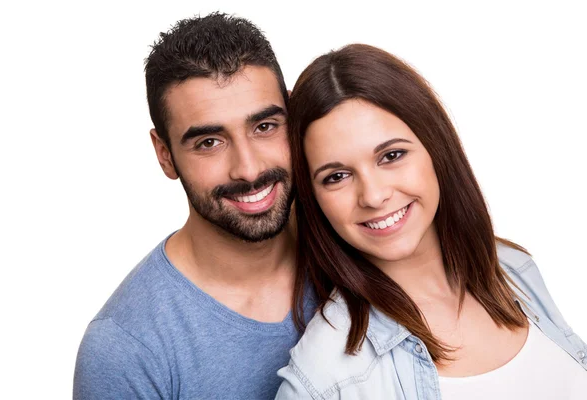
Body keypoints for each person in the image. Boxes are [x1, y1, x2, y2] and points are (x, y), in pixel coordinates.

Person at [276, 44, 587, 399]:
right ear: (314, 199)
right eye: (337, 176)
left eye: (391, 155)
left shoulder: (514, 269)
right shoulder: (323, 377)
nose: (374, 196)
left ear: (435, 147)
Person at [73, 13, 316, 399]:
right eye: (209, 142)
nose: (248, 168)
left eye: (264, 127)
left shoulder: (351, 240)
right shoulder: (125, 350)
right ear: (165, 154)